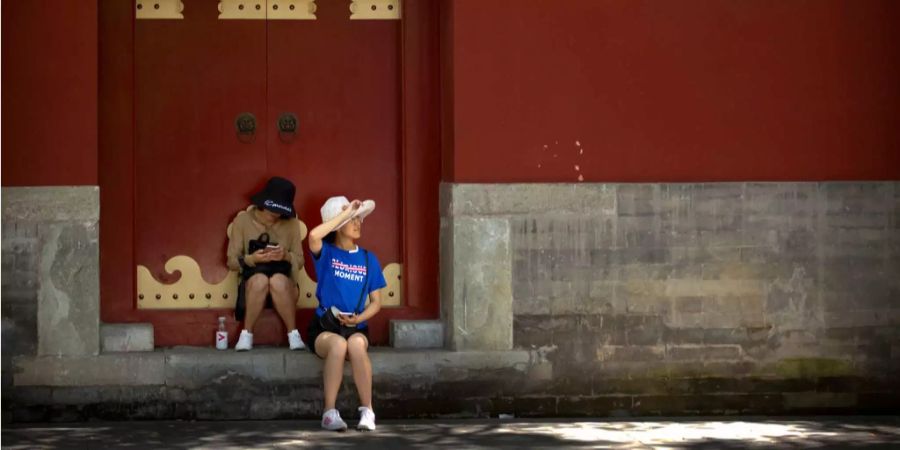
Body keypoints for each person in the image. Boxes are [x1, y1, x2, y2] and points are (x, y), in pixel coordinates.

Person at [307, 196, 385, 431]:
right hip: (325, 326)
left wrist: (359, 319)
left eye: (359, 219)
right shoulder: (326, 253)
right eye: (353, 220)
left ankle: (367, 411)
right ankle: (329, 413)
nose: (358, 223)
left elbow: (376, 302)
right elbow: (313, 236)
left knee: (356, 345)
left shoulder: (368, 259)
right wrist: (344, 215)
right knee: (339, 344)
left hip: (356, 325)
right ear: (338, 223)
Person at [226, 176, 306, 351]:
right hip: (253, 282)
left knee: (277, 280)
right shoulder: (243, 221)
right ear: (263, 204)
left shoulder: (291, 224)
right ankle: (246, 335)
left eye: (280, 212)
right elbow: (231, 262)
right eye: (272, 211)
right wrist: (252, 259)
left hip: (284, 283)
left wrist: (285, 256)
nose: (276, 216)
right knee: (260, 280)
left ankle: (294, 335)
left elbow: (299, 260)